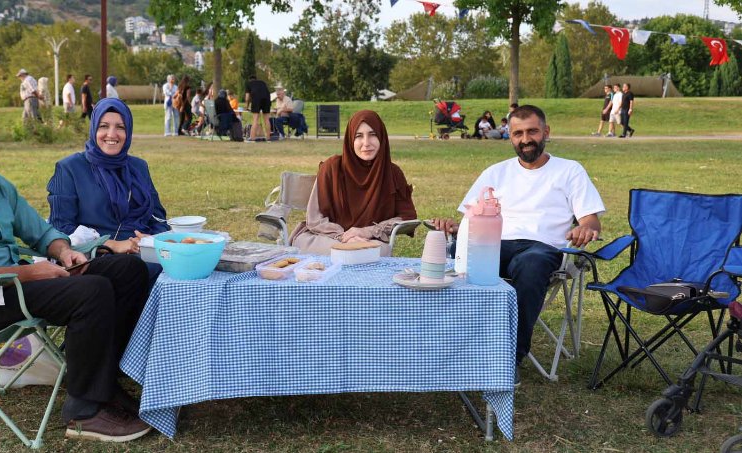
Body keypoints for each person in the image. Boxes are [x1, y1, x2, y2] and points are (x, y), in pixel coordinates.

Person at [0, 100, 152, 442]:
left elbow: (40, 232)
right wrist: (26, 274)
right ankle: (84, 412)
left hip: (13, 287)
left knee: (127, 270)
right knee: (91, 292)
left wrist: (63, 252)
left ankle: (103, 382)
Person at [431, 105, 604, 385]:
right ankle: (451, 346)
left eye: (532, 131)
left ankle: (510, 356)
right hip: (494, 243)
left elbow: (591, 221)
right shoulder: (495, 172)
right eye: (518, 133)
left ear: (546, 132)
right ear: (509, 136)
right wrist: (453, 228)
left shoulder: (569, 171)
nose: (526, 139)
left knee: (530, 264)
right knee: (453, 252)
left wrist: (585, 228)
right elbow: (467, 220)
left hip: (542, 249)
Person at [48, 98, 170, 289]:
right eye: (104, 126)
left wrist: (149, 239)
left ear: (128, 131)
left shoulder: (138, 167)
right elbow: (60, 227)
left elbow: (158, 218)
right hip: (93, 256)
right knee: (134, 269)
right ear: (94, 129)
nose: (111, 134)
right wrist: (111, 244)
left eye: (120, 127)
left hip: (142, 251)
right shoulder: (70, 168)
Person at [290, 110, 418, 256]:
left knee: (377, 251)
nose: (366, 143)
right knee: (315, 245)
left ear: (381, 137)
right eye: (359, 136)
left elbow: (408, 219)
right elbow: (315, 220)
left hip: (368, 242)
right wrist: (344, 238)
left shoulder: (393, 173)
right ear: (350, 139)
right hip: (327, 239)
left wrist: (368, 231)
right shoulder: (331, 167)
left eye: (372, 134)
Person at [245, 75, 271, 141]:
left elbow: (247, 98)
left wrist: (246, 106)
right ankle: (268, 137)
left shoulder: (249, 84)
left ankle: (252, 138)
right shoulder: (262, 83)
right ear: (256, 79)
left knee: (255, 119)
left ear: (250, 80)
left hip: (256, 99)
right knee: (267, 119)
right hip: (267, 99)